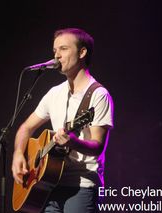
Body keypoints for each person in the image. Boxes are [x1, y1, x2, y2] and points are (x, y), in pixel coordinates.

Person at [11, 27, 114, 213]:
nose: (56, 55)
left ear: (82, 52)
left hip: (81, 187)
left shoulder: (99, 95)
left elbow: (98, 146)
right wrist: (18, 153)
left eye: (63, 49)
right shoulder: (54, 92)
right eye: (54, 50)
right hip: (49, 185)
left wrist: (73, 142)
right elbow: (25, 128)